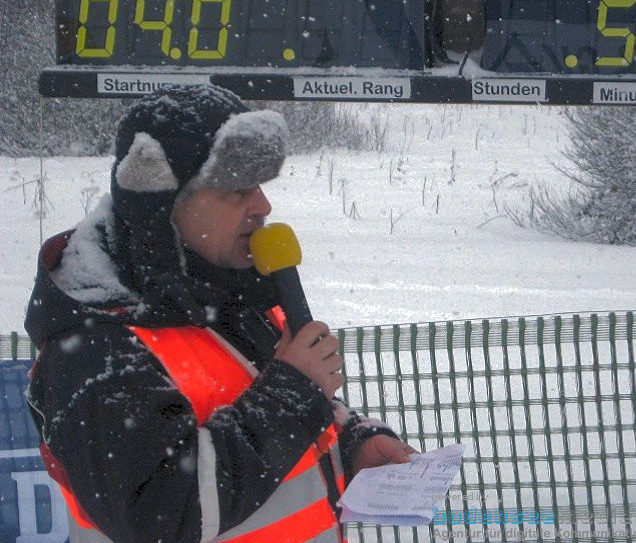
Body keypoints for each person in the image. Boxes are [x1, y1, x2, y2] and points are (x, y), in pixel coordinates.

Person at [24, 84, 415, 543]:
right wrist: (294, 392)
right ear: (160, 202)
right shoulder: (97, 347)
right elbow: (163, 516)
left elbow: (260, 405)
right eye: (237, 189)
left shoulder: (228, 292)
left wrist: (350, 442)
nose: (263, 207)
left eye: (261, 187)